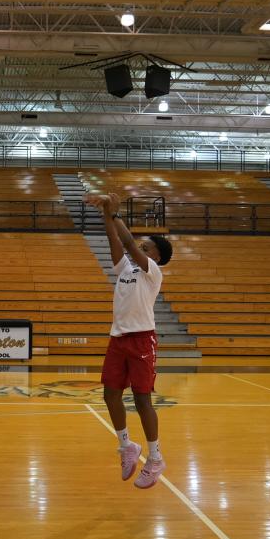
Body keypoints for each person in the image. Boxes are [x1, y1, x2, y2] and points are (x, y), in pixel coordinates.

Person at [86, 192, 173, 489]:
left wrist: (114, 213)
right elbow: (117, 243)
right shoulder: (126, 269)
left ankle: (156, 457)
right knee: (110, 394)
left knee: (142, 398)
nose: (141, 247)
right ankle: (126, 447)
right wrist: (106, 215)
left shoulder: (153, 272)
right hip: (118, 338)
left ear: (156, 256)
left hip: (141, 339)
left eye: (146, 246)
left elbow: (128, 244)